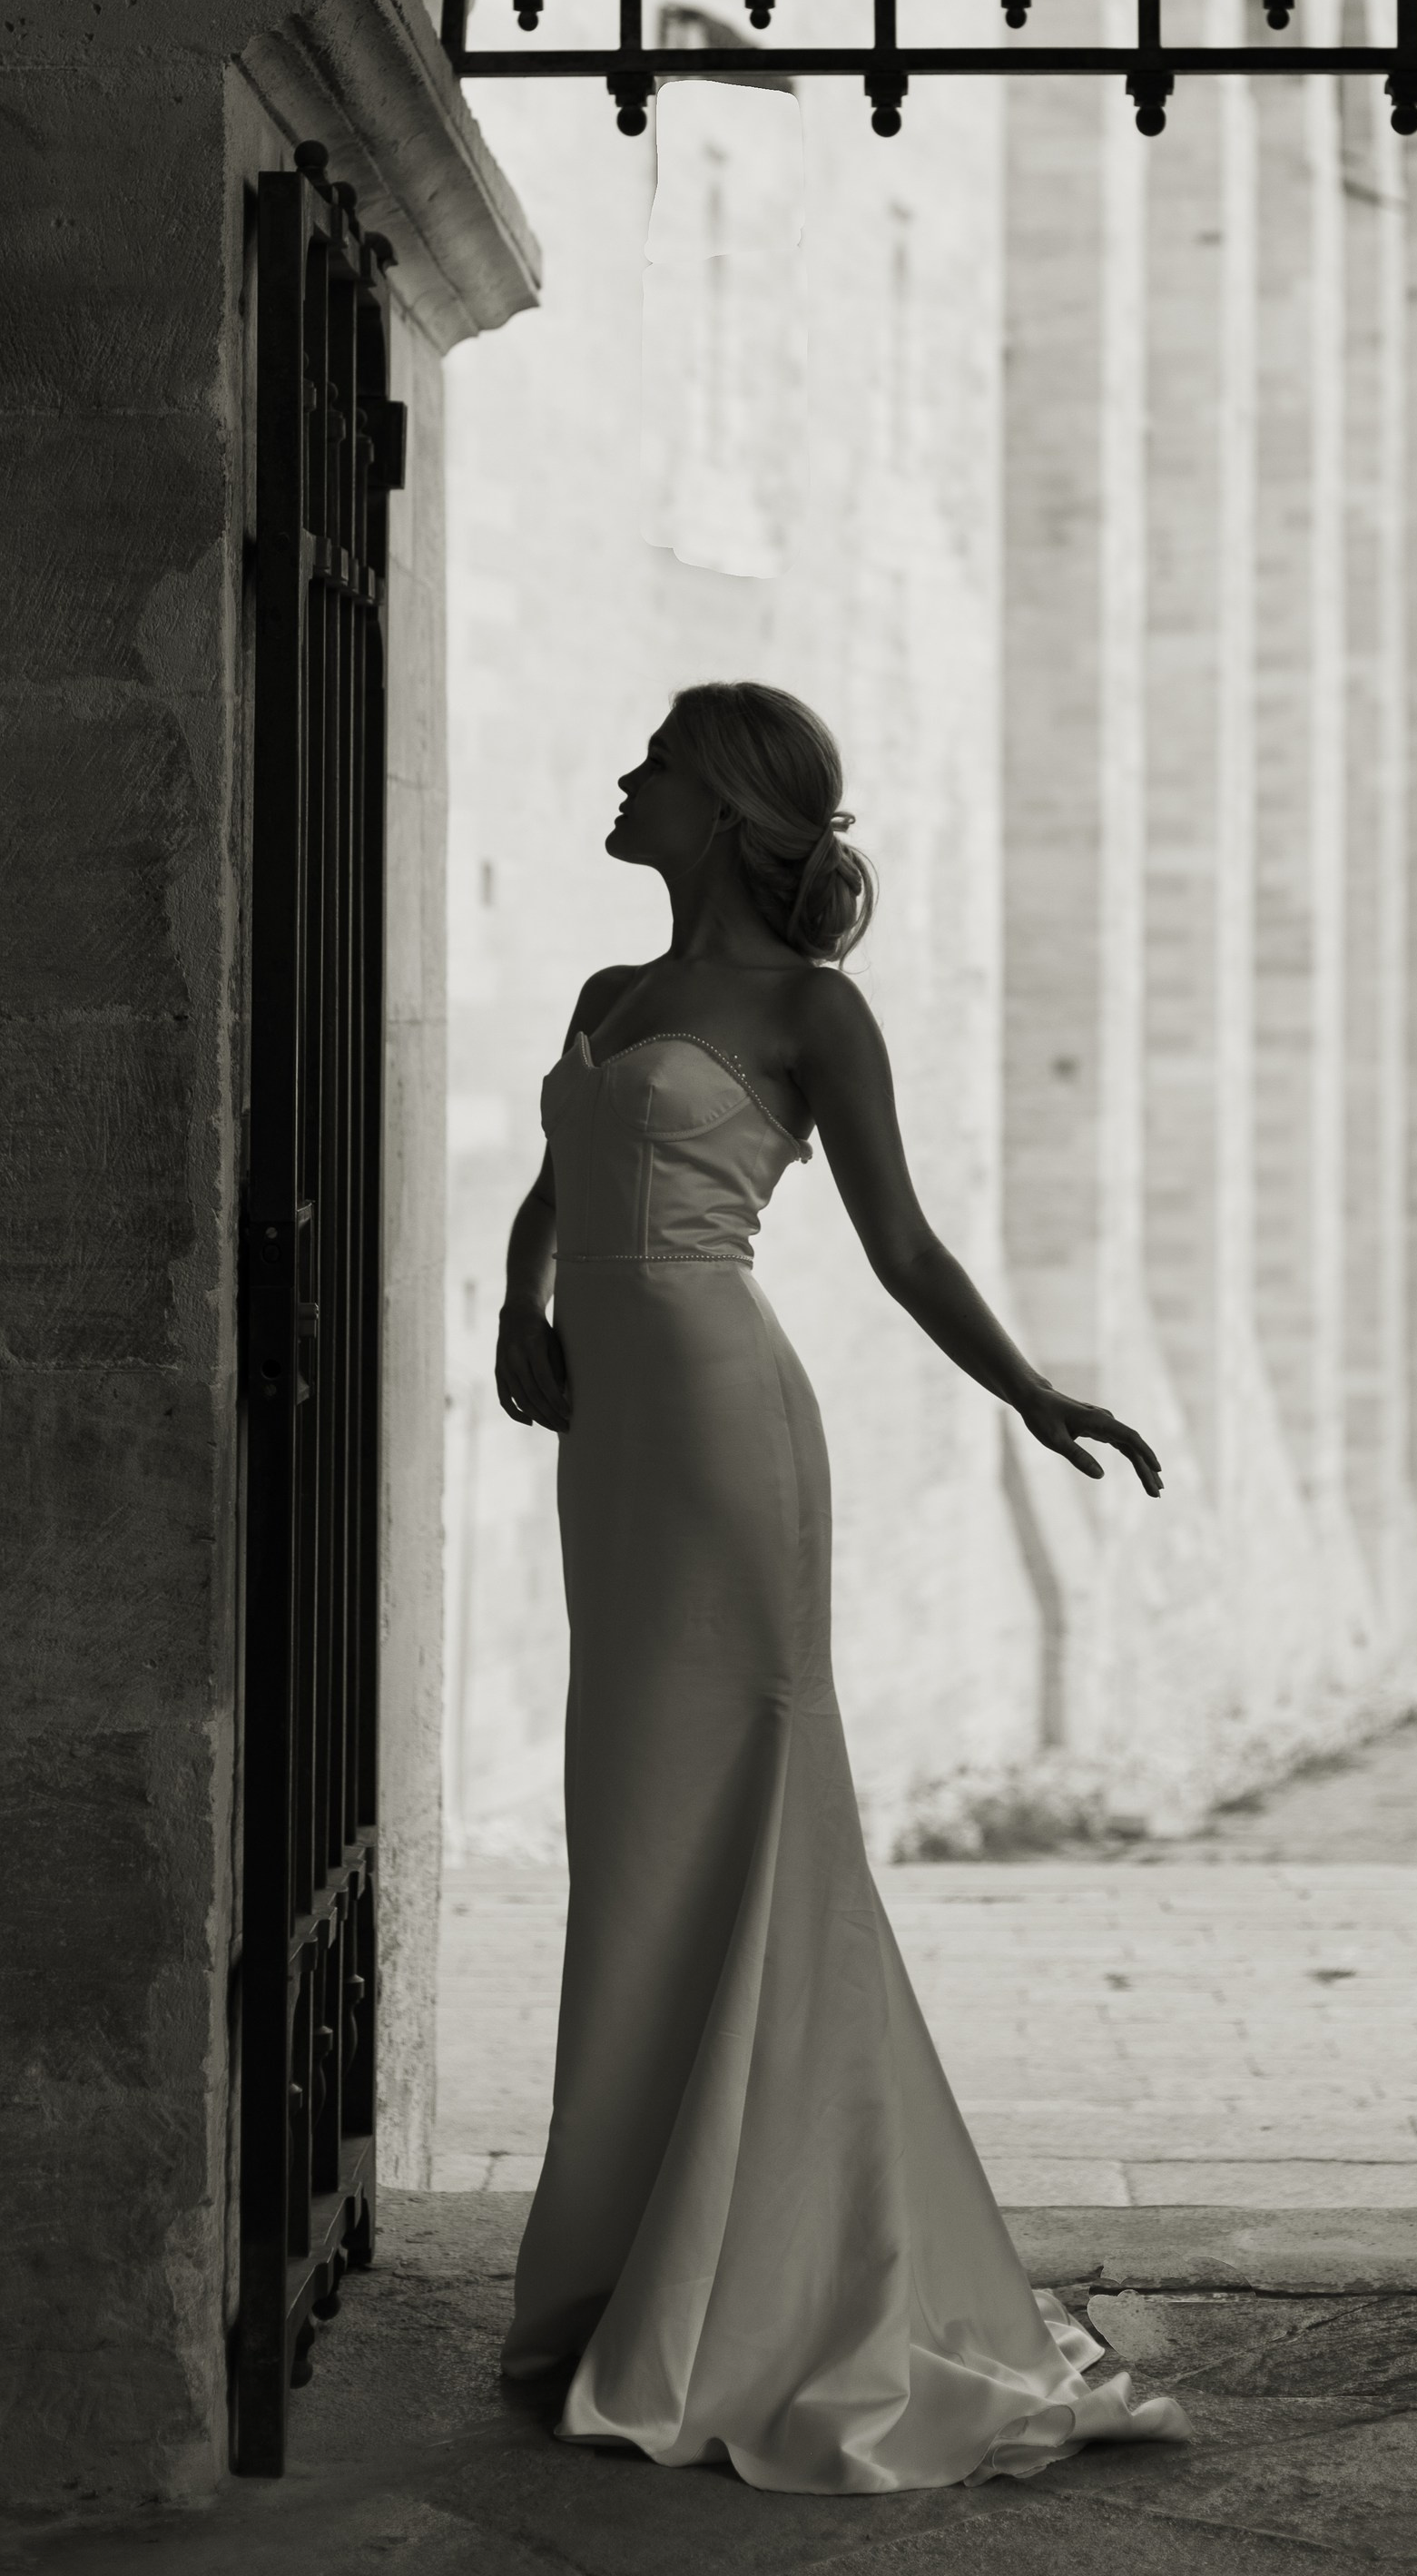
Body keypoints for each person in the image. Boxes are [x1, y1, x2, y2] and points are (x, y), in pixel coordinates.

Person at [492, 679, 1183, 2491]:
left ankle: (773, 2274)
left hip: (730, 1437)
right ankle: (622, 2264)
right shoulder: (605, 999)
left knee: (755, 1822)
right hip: (618, 1454)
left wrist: (1034, 1391)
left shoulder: (814, 1010)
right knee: (629, 1836)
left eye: (653, 762)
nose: (622, 778)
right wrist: (520, 1295)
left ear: (722, 806)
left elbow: (901, 1242)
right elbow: (556, 1169)